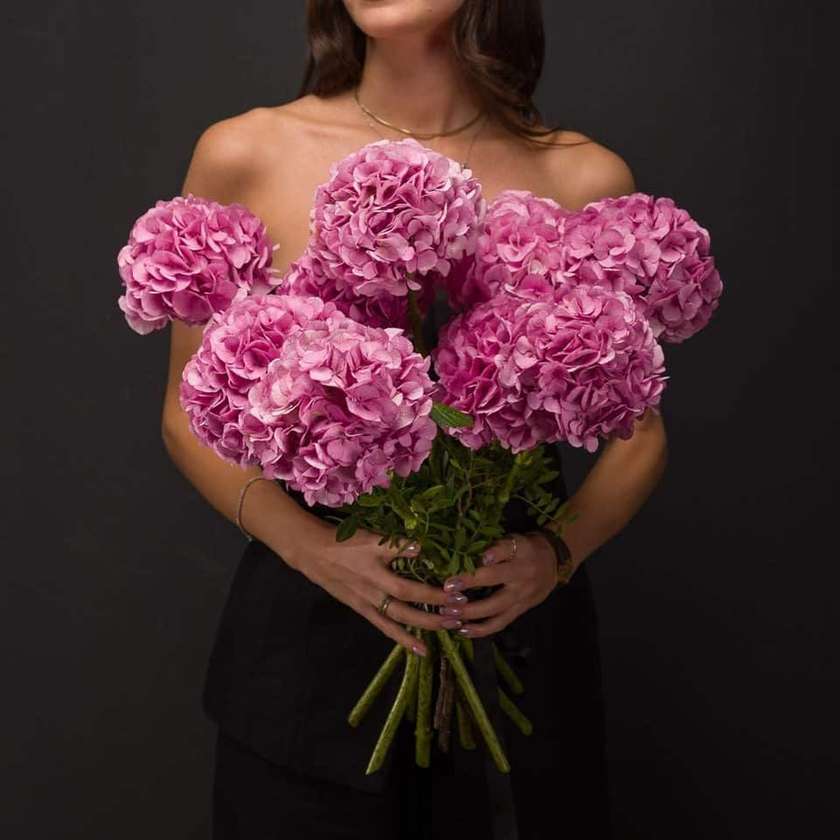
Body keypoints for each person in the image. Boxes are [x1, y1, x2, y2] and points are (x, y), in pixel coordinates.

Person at [160, 1, 669, 837]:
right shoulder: (246, 152)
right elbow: (190, 413)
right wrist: (317, 552)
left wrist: (558, 552)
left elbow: (639, 432)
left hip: (514, 652)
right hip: (306, 659)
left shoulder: (583, 180)